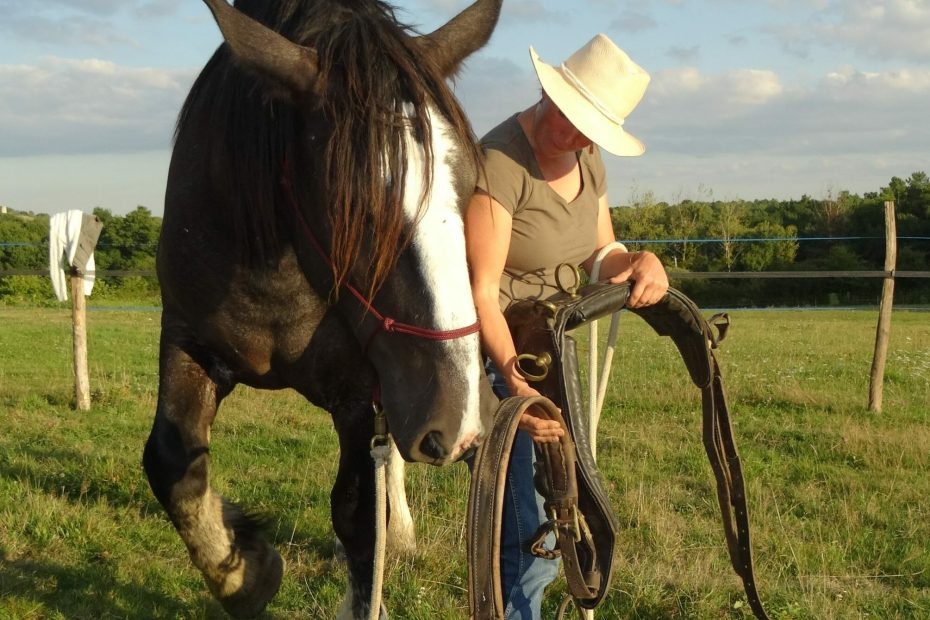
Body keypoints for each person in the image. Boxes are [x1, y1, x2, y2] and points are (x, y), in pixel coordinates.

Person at [465, 34, 670, 618]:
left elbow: (600, 253)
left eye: (589, 128)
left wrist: (638, 262)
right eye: (568, 115)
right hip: (495, 347)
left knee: (564, 506)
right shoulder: (501, 161)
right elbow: (479, 290)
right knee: (529, 531)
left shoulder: (589, 159)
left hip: (549, 346)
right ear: (548, 91)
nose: (574, 134)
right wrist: (514, 388)